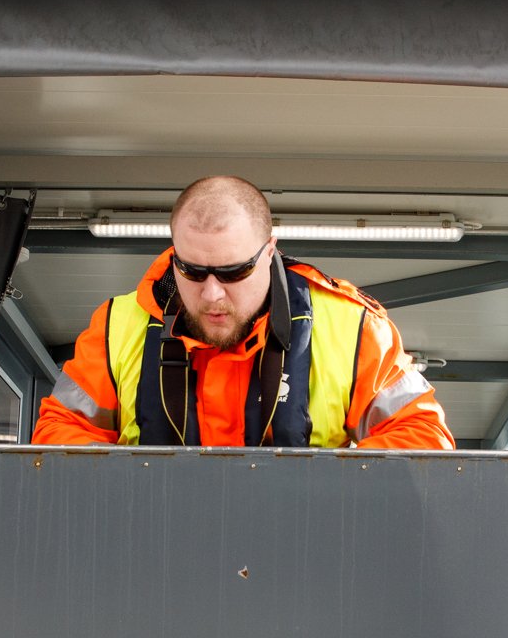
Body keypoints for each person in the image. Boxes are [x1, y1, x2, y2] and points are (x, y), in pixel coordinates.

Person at [34, 176, 454, 449]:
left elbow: (423, 438)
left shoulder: (354, 328)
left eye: (234, 271)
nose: (213, 293)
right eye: (192, 270)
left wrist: (330, 484)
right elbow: (59, 435)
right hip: (156, 555)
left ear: (270, 251)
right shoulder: (114, 327)